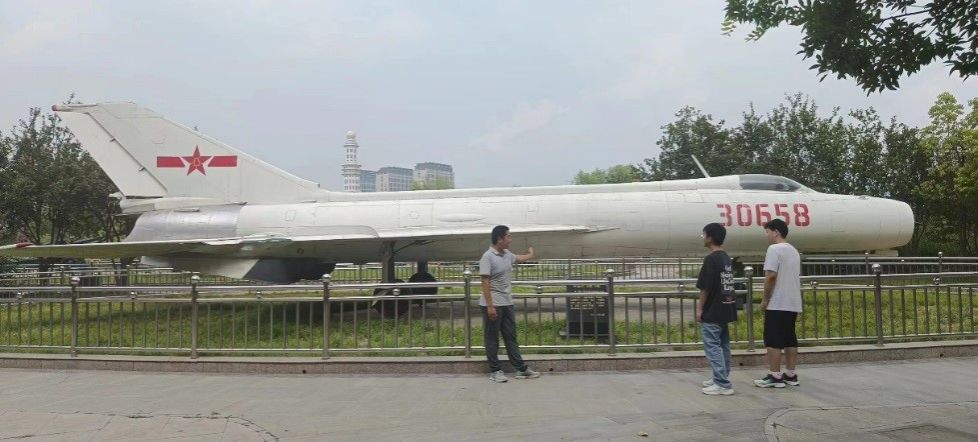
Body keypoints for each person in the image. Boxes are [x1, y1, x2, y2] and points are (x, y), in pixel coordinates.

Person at [480, 225, 540, 383]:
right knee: (492, 338)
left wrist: (530, 254)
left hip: (507, 303)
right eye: (508, 236)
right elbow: (485, 282)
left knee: (510, 336)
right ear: (500, 239)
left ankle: (521, 368)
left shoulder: (507, 254)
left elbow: (518, 258)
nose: (510, 239)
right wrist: (490, 306)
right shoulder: (487, 257)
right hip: (493, 303)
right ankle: (495, 371)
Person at [754, 218, 803, 388]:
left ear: (776, 232)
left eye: (767, 231)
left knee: (773, 339)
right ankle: (790, 374)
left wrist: (765, 299)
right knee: (789, 339)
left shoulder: (774, 249)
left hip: (777, 302)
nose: (766, 235)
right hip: (793, 301)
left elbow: (771, 276)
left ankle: (775, 376)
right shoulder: (794, 250)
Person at [696, 223, 737, 395]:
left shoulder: (711, 259)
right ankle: (720, 377)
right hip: (726, 307)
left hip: (713, 310)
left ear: (710, 237)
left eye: (704, 234)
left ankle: (722, 384)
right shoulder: (725, 257)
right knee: (724, 345)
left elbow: (705, 288)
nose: (703, 237)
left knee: (712, 346)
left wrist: (700, 309)